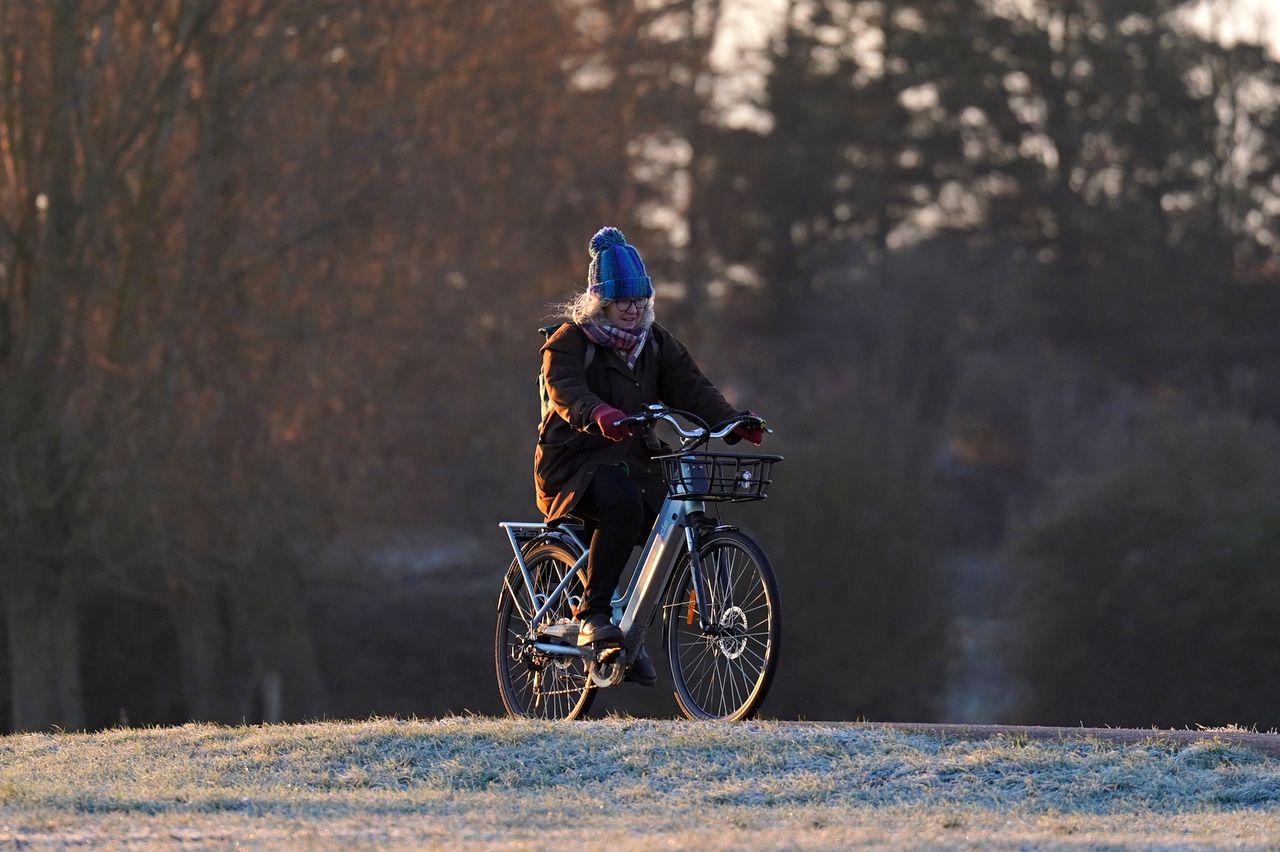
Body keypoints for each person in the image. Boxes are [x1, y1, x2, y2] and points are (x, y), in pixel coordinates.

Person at [535, 226, 763, 686]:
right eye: (624, 301)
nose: (634, 309)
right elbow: (565, 392)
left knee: (670, 517)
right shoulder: (569, 342)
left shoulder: (656, 343)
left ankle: (630, 631)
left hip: (636, 460)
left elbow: (692, 388)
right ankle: (596, 614)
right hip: (574, 464)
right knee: (619, 504)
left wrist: (731, 422)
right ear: (601, 302)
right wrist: (599, 413)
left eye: (640, 299)